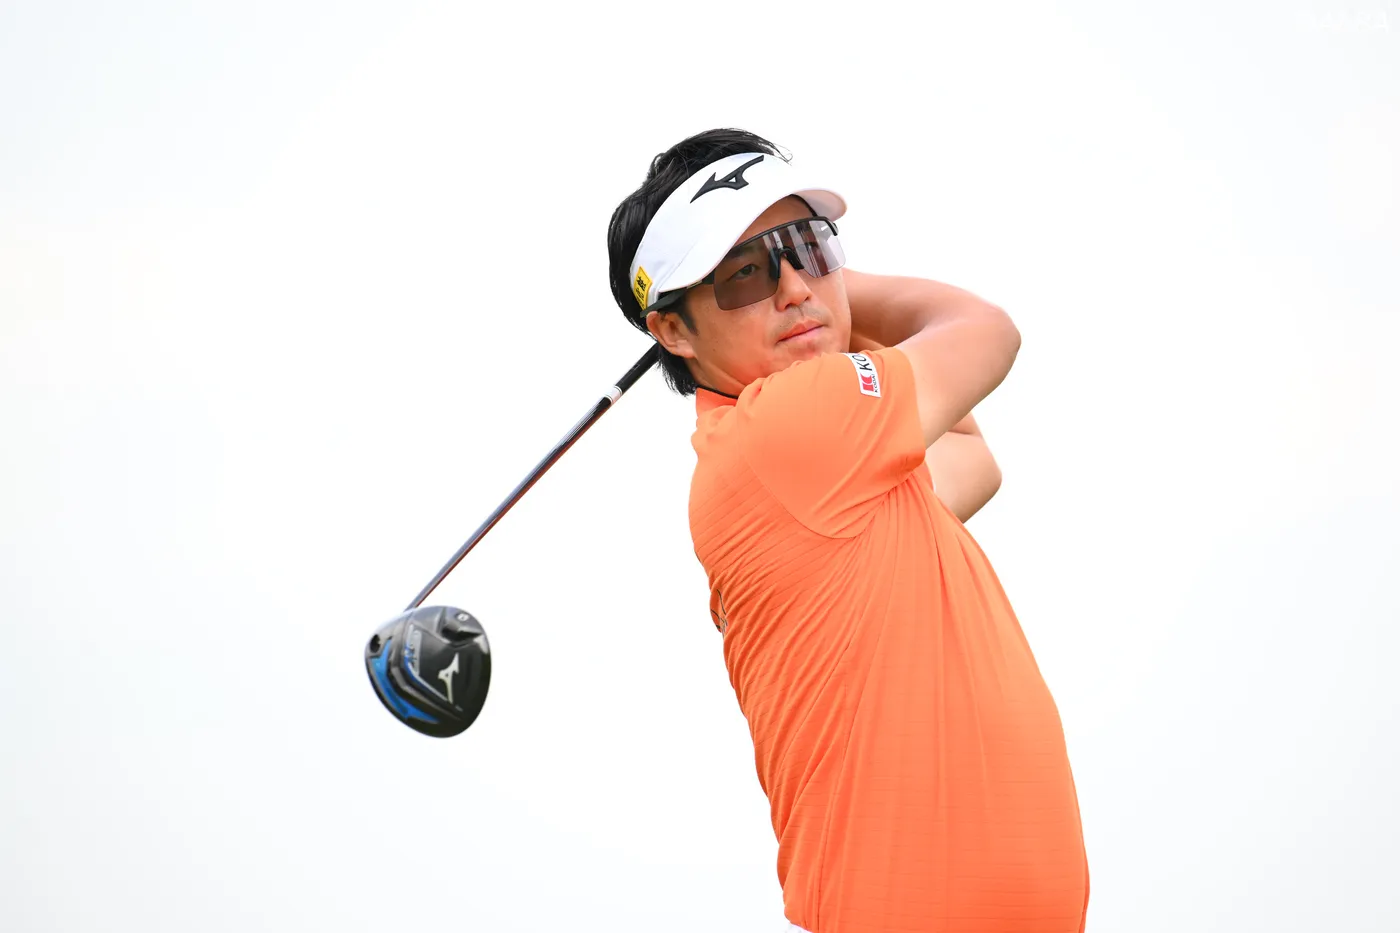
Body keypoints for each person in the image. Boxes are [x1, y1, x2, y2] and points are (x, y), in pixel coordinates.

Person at [606, 129, 1089, 933]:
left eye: (810, 247)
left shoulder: (834, 467)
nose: (795, 286)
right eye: (745, 273)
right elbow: (984, 330)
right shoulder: (787, 430)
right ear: (675, 332)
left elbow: (971, 458)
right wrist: (839, 293)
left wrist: (813, 305)